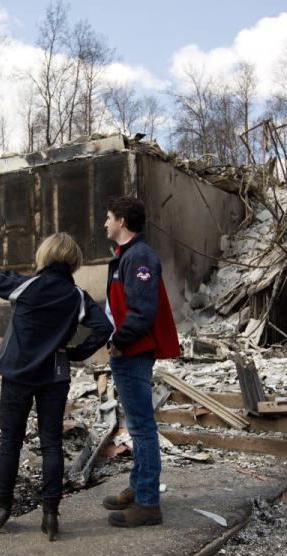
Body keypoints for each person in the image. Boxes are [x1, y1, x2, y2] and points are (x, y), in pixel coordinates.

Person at [0, 233, 113, 541]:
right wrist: (75, 353)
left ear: (44, 255)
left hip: (17, 373)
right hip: (54, 376)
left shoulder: (26, 285)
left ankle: (2, 508)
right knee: (51, 446)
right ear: (73, 261)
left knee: (10, 443)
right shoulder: (77, 295)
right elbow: (104, 328)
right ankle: (50, 515)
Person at [101, 196, 180, 528]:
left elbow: (143, 311)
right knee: (136, 425)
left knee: (143, 429)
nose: (104, 223)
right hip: (127, 352)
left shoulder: (140, 257)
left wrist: (119, 342)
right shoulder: (126, 257)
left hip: (132, 353)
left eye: (107, 217)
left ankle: (148, 504)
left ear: (121, 221)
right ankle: (138, 487)